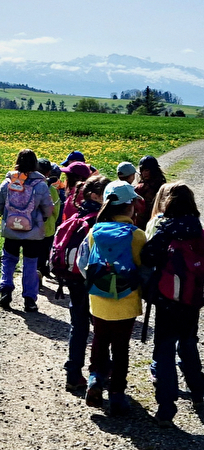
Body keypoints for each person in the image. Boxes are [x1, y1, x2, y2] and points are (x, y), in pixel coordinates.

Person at [140, 182, 204, 427]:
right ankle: (197, 388)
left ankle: (166, 407)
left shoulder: (167, 228)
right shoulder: (200, 229)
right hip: (193, 298)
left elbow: (147, 255)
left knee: (164, 348)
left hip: (168, 298)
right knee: (188, 340)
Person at [77, 180, 147, 415]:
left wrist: (98, 284)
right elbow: (143, 269)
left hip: (98, 299)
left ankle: (95, 379)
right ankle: (117, 393)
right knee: (121, 348)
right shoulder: (137, 236)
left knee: (99, 340)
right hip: (127, 301)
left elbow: (83, 264)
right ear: (131, 207)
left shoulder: (93, 232)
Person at [63, 175, 111, 392]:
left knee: (78, 326)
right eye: (107, 194)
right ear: (95, 195)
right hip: (93, 279)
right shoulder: (99, 221)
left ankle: (73, 374)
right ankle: (102, 371)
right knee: (102, 328)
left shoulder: (77, 214)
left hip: (73, 278)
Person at [0, 149, 54, 312]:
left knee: (9, 260)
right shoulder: (40, 184)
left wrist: (8, 216)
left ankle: (5, 290)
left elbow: (0, 204)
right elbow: (48, 209)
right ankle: (29, 299)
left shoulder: (8, 181)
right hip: (33, 231)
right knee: (30, 263)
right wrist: (41, 218)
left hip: (11, 229)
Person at [36, 158, 62, 281]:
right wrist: (54, 221)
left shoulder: (30, 186)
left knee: (33, 252)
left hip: (32, 227)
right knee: (45, 251)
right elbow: (56, 209)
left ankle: (35, 274)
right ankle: (42, 269)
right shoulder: (52, 190)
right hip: (48, 227)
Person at [134, 155, 167, 231]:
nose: (144, 173)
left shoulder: (163, 186)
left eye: (147, 170)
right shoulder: (139, 188)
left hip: (157, 222)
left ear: (153, 170)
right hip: (141, 224)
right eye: (142, 170)